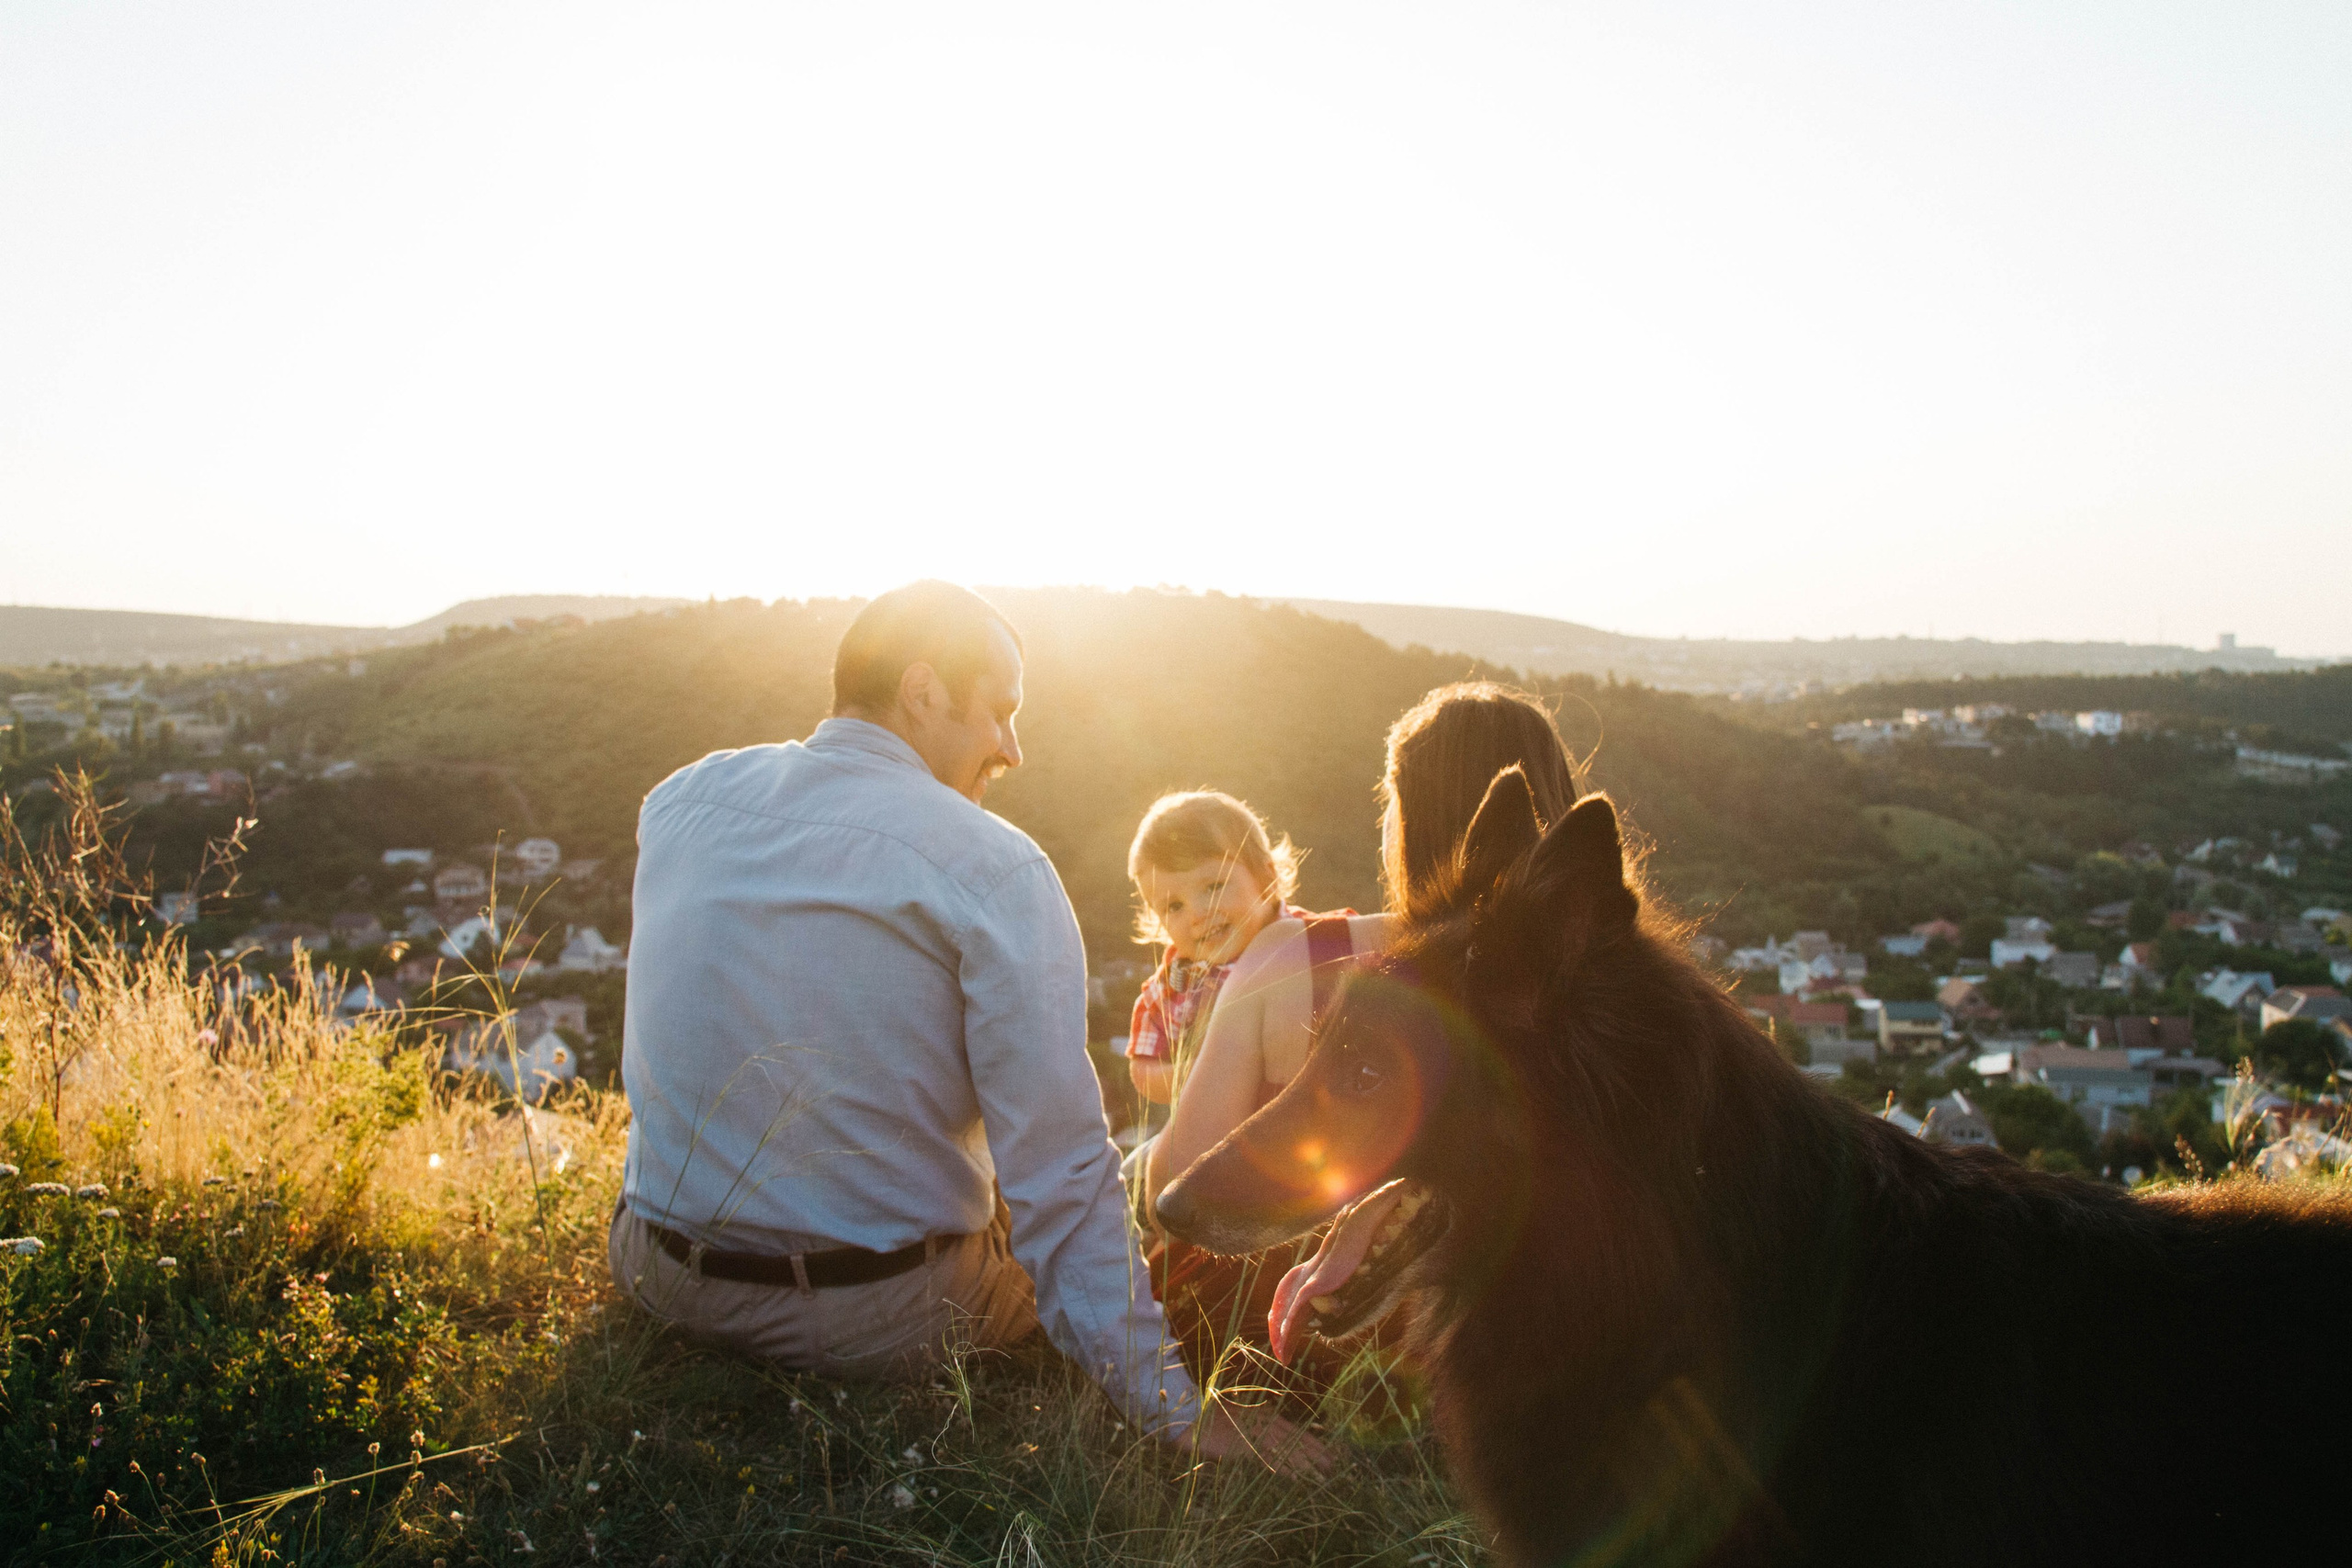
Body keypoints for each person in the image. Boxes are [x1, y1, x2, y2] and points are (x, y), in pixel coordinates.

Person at [609, 580, 1320, 1472]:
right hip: (875, 1317)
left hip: (658, 1273)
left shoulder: (679, 802)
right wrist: (1176, 1409)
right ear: (923, 691)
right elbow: (1059, 1175)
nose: (1013, 749)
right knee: (1137, 1212)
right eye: (1001, 711)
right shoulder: (995, 866)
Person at [1142, 682, 1582, 1371]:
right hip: (1494, 1355)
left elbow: (1174, 1187)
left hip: (1298, 1348)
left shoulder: (1295, 956)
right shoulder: (1583, 1006)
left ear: (1406, 818)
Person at [1121, 791, 1308, 1109]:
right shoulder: (1176, 985)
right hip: (1221, 1125)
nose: (1198, 913)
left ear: (1267, 877)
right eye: (1174, 906)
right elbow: (1143, 1067)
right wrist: (1197, 1074)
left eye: (1214, 887)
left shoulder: (1313, 942)